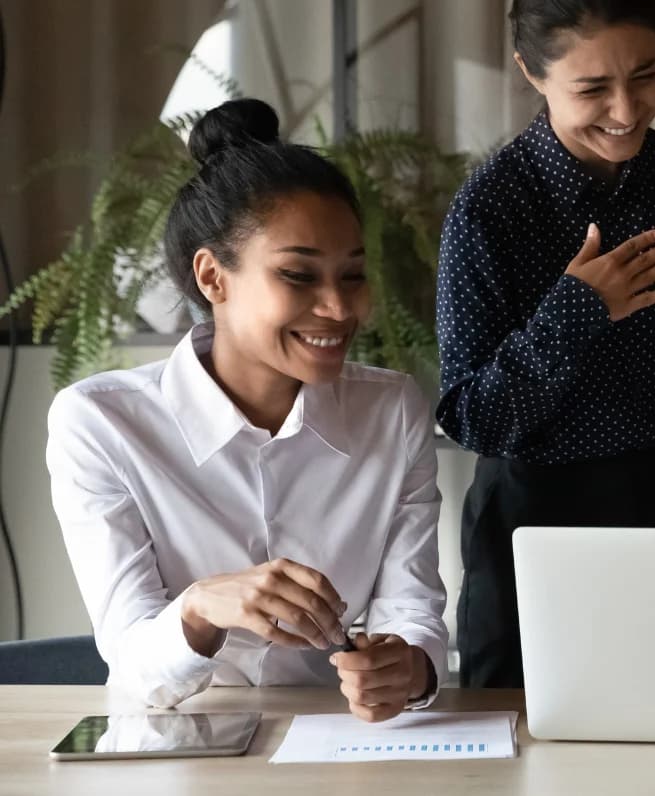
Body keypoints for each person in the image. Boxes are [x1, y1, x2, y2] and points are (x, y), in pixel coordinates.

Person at [47, 99, 447, 721]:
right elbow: (132, 665)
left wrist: (408, 667)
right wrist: (202, 606)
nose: (339, 309)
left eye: (352, 276)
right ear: (213, 277)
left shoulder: (391, 410)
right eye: (298, 276)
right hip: (178, 745)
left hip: (341, 745)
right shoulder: (101, 424)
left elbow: (412, 611)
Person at [436, 0, 655, 688]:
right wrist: (578, 310)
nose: (627, 110)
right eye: (593, 88)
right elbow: (471, 418)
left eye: (646, 75)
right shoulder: (489, 211)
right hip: (533, 530)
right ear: (532, 74)